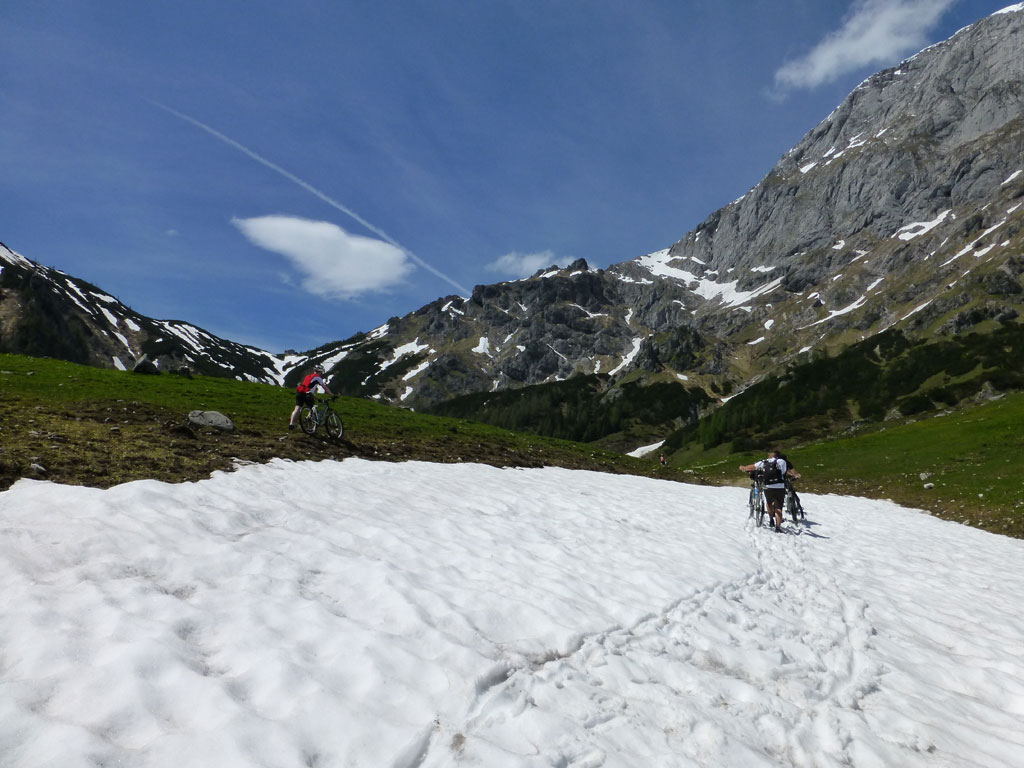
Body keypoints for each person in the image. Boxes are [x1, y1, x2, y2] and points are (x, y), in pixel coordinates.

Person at [739, 449, 800, 531]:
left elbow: (752, 467)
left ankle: (771, 519)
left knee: (769, 503)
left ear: (771, 455)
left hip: (768, 487)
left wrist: (743, 468)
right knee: (779, 507)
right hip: (780, 487)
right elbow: (787, 472)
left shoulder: (764, 462)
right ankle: (778, 527)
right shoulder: (783, 462)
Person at [289, 364, 335, 430]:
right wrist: (332, 395)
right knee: (312, 408)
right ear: (320, 372)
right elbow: (325, 388)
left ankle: (291, 424)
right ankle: (309, 422)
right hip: (308, 394)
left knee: (297, 409)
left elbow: (307, 388)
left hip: (300, 392)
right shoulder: (318, 378)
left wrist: (317, 398)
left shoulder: (307, 376)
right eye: (321, 372)